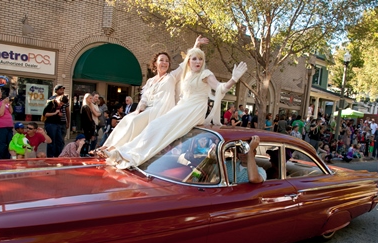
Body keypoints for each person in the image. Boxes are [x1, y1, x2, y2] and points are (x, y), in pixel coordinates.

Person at [102, 47, 247, 169]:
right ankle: (123, 152)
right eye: (194, 58)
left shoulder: (205, 74)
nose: (197, 61)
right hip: (182, 107)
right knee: (154, 126)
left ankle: (130, 156)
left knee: (160, 128)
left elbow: (220, 87)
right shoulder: (187, 76)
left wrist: (233, 79)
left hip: (194, 110)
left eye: (200, 59)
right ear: (189, 61)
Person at [97, 35, 209, 152]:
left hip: (162, 110)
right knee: (127, 119)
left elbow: (185, 63)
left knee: (135, 122)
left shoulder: (171, 77)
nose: (164, 63)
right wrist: (138, 109)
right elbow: (144, 98)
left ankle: (116, 149)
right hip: (149, 109)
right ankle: (107, 146)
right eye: (161, 60)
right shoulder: (150, 81)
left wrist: (196, 46)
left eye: (167, 61)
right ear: (155, 63)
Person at [43, 85, 67, 157]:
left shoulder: (60, 105)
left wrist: (59, 114)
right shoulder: (51, 102)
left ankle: (57, 156)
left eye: (63, 104)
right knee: (51, 141)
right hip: (50, 124)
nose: (61, 104)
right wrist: (55, 113)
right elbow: (45, 114)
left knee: (59, 141)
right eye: (61, 103)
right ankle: (50, 156)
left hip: (57, 124)